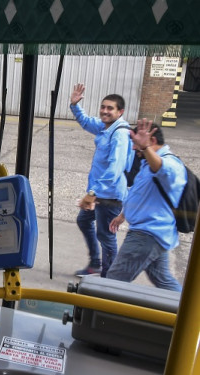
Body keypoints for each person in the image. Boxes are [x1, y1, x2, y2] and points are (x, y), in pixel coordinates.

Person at [107, 119, 185, 291]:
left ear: (153, 141)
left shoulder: (171, 164)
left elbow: (164, 171)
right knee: (164, 281)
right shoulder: (147, 163)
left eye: (136, 144)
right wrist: (124, 214)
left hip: (147, 234)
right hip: (153, 233)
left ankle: (105, 317)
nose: (134, 148)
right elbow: (142, 193)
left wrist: (145, 148)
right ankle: (185, 313)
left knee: (113, 281)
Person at [70, 83, 132, 277]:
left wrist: (92, 194)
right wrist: (74, 105)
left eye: (110, 108)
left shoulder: (119, 133)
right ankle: (96, 263)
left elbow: (115, 169)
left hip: (108, 195)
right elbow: (87, 122)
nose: (105, 111)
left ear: (120, 111)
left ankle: (108, 277)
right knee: (84, 220)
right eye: (103, 107)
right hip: (98, 193)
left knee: (106, 235)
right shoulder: (107, 127)